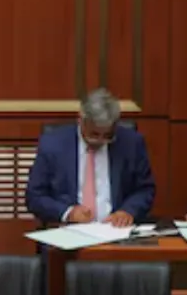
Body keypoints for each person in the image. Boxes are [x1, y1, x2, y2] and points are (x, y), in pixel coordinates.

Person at [26, 88, 156, 226]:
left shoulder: (131, 143)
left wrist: (127, 211)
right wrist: (68, 212)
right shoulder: (52, 145)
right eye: (94, 134)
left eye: (108, 136)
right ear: (81, 120)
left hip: (115, 231)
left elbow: (145, 189)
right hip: (68, 232)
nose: (100, 140)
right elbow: (34, 197)